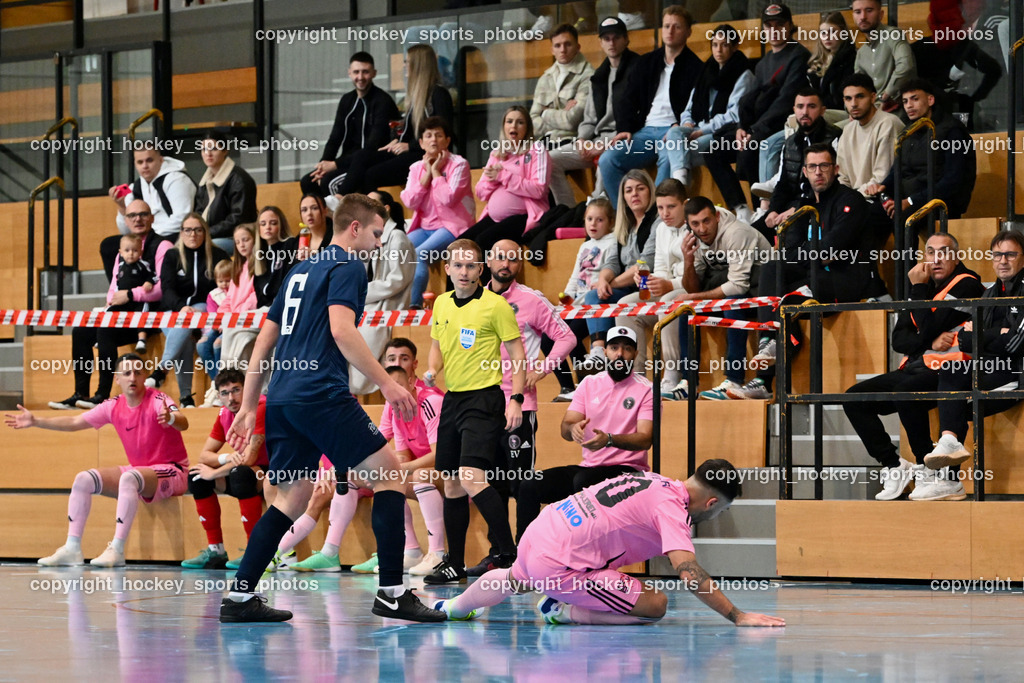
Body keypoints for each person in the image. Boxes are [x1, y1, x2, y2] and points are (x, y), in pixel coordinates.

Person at [219, 193, 443, 623]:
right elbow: (342, 331)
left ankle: (240, 596)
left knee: (292, 496)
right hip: (320, 392)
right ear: (354, 228)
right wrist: (387, 384)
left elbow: (264, 341)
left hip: (283, 396)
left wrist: (250, 405)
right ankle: (393, 593)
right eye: (376, 234)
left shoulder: (299, 270)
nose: (379, 244)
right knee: (391, 476)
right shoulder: (349, 266)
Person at [433, 460, 785, 628]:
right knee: (656, 604)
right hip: (558, 565)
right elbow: (689, 574)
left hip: (540, 532)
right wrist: (738, 616)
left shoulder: (654, 480)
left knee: (518, 576)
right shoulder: (672, 511)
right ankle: (561, 610)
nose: (717, 516)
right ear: (711, 503)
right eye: (721, 510)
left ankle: (453, 609)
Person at [8, 353, 189, 567]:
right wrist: (37, 421)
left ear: (144, 377)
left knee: (130, 478)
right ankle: (72, 548)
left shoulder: (159, 399)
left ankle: (117, 550)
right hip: (140, 471)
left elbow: (182, 422)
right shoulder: (113, 405)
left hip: (172, 470)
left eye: (138, 373)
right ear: (117, 379)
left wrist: (170, 418)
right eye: (127, 373)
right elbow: (75, 421)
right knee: (84, 479)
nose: (132, 378)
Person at [843, 233, 984, 500]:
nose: (936, 258)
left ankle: (930, 470)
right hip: (915, 366)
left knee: (906, 393)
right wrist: (929, 338)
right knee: (854, 398)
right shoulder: (924, 285)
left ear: (956, 256)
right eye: (930, 252)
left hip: (950, 370)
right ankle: (895, 465)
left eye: (943, 252)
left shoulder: (967, 285)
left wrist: (919, 297)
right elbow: (899, 339)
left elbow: (925, 327)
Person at [728, 144, 875, 399]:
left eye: (824, 166)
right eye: (812, 167)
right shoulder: (802, 208)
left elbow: (833, 246)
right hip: (811, 280)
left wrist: (809, 253)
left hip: (844, 281)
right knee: (773, 270)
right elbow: (791, 252)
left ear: (835, 169)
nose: (818, 172)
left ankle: (767, 363)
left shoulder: (851, 201)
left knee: (790, 298)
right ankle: (766, 356)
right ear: (804, 172)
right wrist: (811, 254)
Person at [465, 240, 577, 575]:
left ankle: (526, 558)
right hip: (483, 405)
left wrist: (541, 370)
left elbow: (566, 338)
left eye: (513, 259)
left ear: (518, 264)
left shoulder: (531, 299)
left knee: (520, 484)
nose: (506, 263)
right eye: (500, 256)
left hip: (519, 405)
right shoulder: (473, 299)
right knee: (491, 483)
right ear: (488, 260)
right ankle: (499, 554)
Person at [420, 238, 527, 585]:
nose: (464, 272)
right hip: (453, 399)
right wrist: (433, 371)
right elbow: (436, 348)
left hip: (485, 399)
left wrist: (517, 400)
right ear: (447, 268)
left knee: (470, 477)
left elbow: (518, 355)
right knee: (450, 484)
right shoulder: (440, 304)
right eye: (458, 266)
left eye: (471, 266)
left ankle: (509, 554)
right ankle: (453, 563)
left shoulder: (495, 306)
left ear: (480, 269)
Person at [914, 231, 1024, 501]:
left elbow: (1016, 344)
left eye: (1010, 254)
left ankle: (949, 476)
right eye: (997, 255)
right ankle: (949, 464)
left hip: (1016, 374)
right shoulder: (988, 293)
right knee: (951, 383)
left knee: (954, 403)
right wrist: (996, 334)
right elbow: (965, 341)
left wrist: (986, 337)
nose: (1003, 261)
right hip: (990, 370)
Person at [515, 325, 652, 540]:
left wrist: (609, 440)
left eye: (627, 349)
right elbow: (566, 426)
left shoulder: (646, 389)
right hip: (588, 467)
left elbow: (645, 439)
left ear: (635, 354)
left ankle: (582, 554)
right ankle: (523, 554)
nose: (620, 354)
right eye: (614, 347)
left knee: (583, 481)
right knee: (530, 484)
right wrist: (573, 429)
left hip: (629, 471)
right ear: (605, 351)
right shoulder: (589, 383)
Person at [49, 200, 173, 410]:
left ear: (152, 218)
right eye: (132, 215)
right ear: (126, 219)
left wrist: (131, 294)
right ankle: (80, 393)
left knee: (106, 328)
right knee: (81, 330)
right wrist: (111, 303)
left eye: (143, 214)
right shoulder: (122, 250)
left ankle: (102, 395)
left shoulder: (163, 246)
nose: (138, 219)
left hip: (148, 315)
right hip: (121, 313)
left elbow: (163, 288)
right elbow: (113, 288)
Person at [704, 3, 810, 222]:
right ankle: (741, 208)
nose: (774, 30)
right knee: (714, 147)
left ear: (790, 26)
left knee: (754, 145)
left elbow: (785, 101)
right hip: (756, 127)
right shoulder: (763, 63)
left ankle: (761, 214)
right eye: (769, 25)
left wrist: (753, 130)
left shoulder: (799, 55)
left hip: (781, 126)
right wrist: (742, 127)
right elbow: (749, 102)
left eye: (779, 24)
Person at [598, 5, 702, 208]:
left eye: (677, 27)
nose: (670, 31)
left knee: (667, 157)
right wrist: (625, 129)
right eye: (666, 26)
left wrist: (682, 126)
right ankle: (626, 218)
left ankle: (654, 218)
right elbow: (626, 99)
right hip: (644, 132)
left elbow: (698, 106)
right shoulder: (646, 62)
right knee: (608, 161)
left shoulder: (697, 68)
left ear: (688, 32)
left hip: (672, 132)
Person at [677, 196, 771, 401]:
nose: (702, 228)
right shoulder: (695, 238)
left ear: (717, 216)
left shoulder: (737, 233)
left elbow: (739, 285)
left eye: (706, 221)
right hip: (734, 292)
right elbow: (694, 286)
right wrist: (688, 262)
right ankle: (688, 382)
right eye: (695, 223)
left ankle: (734, 379)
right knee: (686, 311)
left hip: (762, 295)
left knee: (733, 301)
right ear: (688, 224)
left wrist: (693, 296)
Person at [331, 44, 455, 196]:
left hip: (426, 155)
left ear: (417, 65)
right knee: (362, 156)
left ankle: (366, 210)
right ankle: (340, 197)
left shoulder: (439, 94)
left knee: (371, 174)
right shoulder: (416, 95)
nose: (404, 66)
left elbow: (444, 133)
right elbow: (408, 131)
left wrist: (409, 145)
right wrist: (396, 142)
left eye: (407, 62)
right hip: (413, 150)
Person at [182, 369, 269, 569]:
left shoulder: (260, 407)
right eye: (224, 393)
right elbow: (205, 455)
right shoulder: (224, 414)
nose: (231, 398)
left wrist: (215, 472)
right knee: (196, 476)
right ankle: (216, 550)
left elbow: (250, 457)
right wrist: (226, 457)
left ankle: (253, 552)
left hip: (274, 471)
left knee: (241, 474)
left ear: (247, 390)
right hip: (246, 468)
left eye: (236, 390)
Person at [547, 16, 639, 207]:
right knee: (551, 159)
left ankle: (596, 210)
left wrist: (603, 146)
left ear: (626, 39)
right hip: (595, 139)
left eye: (616, 37)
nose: (611, 43)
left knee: (605, 162)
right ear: (600, 42)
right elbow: (589, 119)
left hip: (623, 139)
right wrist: (581, 140)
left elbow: (638, 119)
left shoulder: (639, 68)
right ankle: (568, 212)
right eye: (606, 39)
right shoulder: (598, 76)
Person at [613, 179, 689, 396]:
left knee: (667, 302)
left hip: (690, 290)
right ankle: (635, 377)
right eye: (660, 207)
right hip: (670, 286)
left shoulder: (694, 225)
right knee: (625, 305)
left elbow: (698, 276)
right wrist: (651, 280)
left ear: (685, 203)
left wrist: (668, 284)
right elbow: (663, 268)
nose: (665, 213)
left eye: (671, 207)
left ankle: (672, 374)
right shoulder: (662, 229)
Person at [865, 78, 977, 224]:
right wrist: (883, 186)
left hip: (940, 202)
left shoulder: (952, 131)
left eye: (914, 99)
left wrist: (911, 201)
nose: (909, 106)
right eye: (905, 101)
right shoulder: (907, 132)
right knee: (867, 214)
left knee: (904, 217)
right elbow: (897, 170)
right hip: (909, 199)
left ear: (930, 100)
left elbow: (953, 180)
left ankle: (908, 248)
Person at [147, 214, 229, 407]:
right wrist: (180, 307)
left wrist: (190, 312)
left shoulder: (217, 255)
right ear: (181, 233)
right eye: (188, 230)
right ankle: (185, 398)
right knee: (182, 334)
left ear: (205, 232)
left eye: (198, 230)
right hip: (172, 310)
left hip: (203, 308)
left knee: (188, 319)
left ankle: (164, 373)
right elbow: (166, 290)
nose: (193, 234)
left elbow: (220, 290)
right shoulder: (172, 255)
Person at [581, 170, 658, 364]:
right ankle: (599, 352)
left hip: (648, 286)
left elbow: (644, 263)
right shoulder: (625, 224)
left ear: (650, 192)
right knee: (593, 295)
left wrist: (610, 284)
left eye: (640, 189)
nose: (634, 194)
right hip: (625, 286)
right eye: (629, 190)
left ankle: (616, 360)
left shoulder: (656, 222)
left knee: (610, 296)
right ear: (623, 196)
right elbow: (612, 262)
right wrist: (603, 280)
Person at [664, 24, 754, 189]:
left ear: (735, 47)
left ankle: (679, 187)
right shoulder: (706, 70)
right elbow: (689, 108)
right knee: (673, 135)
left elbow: (734, 115)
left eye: (725, 44)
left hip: (722, 132)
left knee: (679, 151)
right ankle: (676, 187)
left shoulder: (743, 73)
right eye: (714, 45)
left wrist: (702, 130)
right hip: (697, 127)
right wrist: (687, 123)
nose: (718, 50)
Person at [300, 52, 400, 199]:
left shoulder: (383, 101)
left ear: (374, 73)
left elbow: (372, 146)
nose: (360, 77)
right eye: (356, 72)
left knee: (329, 182)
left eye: (365, 72)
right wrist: (323, 165)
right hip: (348, 160)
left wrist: (335, 164)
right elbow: (335, 138)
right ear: (349, 73)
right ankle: (324, 221)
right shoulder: (347, 100)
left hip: (370, 161)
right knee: (308, 182)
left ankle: (339, 219)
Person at [400, 117, 475, 309]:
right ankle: (399, 303)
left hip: (452, 227)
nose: (433, 140)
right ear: (421, 143)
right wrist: (427, 173)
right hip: (424, 227)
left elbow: (448, 198)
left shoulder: (459, 164)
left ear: (447, 141)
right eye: (428, 136)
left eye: (439, 135)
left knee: (419, 254)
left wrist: (436, 173)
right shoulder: (416, 168)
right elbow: (410, 201)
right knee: (398, 251)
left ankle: (414, 306)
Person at [348, 190, 416, 395]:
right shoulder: (373, 239)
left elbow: (396, 281)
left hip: (390, 304)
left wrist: (362, 293)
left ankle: (358, 387)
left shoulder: (397, 238)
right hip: (372, 301)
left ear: (385, 210)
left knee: (365, 334)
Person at [754, 88, 842, 242]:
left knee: (791, 240)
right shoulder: (790, 142)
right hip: (790, 205)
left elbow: (830, 184)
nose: (805, 112)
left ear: (822, 110)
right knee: (751, 235)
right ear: (794, 110)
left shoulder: (835, 137)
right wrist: (773, 210)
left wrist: (796, 210)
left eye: (811, 106)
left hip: (819, 206)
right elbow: (783, 183)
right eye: (800, 107)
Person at [462, 106, 551, 257]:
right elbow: (481, 193)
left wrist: (503, 176)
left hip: (524, 217)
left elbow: (539, 189)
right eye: (509, 121)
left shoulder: (537, 150)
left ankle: (486, 282)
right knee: (460, 246)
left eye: (520, 122)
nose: (513, 126)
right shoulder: (497, 153)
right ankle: (463, 281)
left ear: (527, 127)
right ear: (504, 126)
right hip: (494, 217)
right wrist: (493, 180)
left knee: (482, 243)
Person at [101, 142, 196, 280]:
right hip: (146, 235)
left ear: (161, 159)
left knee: (150, 246)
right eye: (140, 162)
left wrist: (150, 233)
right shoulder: (136, 187)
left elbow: (183, 218)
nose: (145, 166)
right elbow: (126, 230)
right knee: (110, 246)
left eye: (149, 160)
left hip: (173, 234)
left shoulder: (177, 179)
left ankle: (150, 289)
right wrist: (122, 207)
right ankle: (118, 291)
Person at [555, 198, 619, 402]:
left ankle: (585, 382)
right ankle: (567, 385)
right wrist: (566, 298)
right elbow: (575, 276)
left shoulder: (612, 242)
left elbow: (612, 269)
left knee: (570, 336)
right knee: (548, 336)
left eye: (599, 220)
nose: (593, 224)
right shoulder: (585, 246)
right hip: (577, 305)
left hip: (592, 305)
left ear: (610, 222)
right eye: (589, 219)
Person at [835, 73, 904, 198]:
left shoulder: (888, 123)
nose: (854, 104)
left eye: (860, 97)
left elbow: (882, 177)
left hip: (880, 199)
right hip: (854, 199)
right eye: (848, 99)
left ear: (873, 97)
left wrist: (852, 199)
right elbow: (842, 177)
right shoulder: (848, 130)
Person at [193, 130, 258, 254]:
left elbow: (238, 218)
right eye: (204, 149)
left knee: (206, 248)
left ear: (225, 150)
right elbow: (199, 212)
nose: (208, 154)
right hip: (210, 235)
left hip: (235, 238)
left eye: (214, 149)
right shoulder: (204, 181)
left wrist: (206, 233)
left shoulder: (239, 179)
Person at [530, 23, 594, 144]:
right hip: (544, 142)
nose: (563, 50)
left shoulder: (588, 76)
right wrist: (562, 114)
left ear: (578, 47)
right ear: (552, 50)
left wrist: (544, 113)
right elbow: (532, 124)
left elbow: (571, 121)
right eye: (557, 45)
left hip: (572, 142)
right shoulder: (545, 78)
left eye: (568, 44)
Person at [852, 0, 917, 111]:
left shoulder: (893, 35)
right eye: (858, 12)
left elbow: (905, 66)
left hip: (899, 106)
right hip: (871, 109)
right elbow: (857, 86)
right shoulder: (861, 53)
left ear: (881, 14)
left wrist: (885, 96)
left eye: (869, 10)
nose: (863, 17)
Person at [216, 224, 258, 371]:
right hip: (233, 320)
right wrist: (222, 317)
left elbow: (255, 297)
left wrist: (234, 316)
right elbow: (229, 299)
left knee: (234, 342)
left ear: (255, 239)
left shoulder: (258, 265)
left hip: (246, 318)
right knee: (205, 344)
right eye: (238, 242)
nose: (242, 245)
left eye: (245, 239)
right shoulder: (238, 267)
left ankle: (227, 378)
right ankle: (220, 380)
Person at [107, 234, 156, 354]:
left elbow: (153, 276)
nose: (131, 254)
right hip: (122, 300)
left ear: (141, 252)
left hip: (138, 300)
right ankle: (103, 337)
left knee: (142, 315)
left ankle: (142, 339)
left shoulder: (143, 265)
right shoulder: (120, 266)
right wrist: (112, 297)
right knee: (109, 313)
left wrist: (149, 282)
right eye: (127, 250)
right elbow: (116, 281)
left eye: (135, 250)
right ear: (121, 252)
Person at [198, 259, 233, 406]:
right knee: (201, 345)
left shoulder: (237, 291)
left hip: (232, 325)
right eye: (220, 281)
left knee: (218, 344)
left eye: (227, 280)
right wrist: (214, 328)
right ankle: (216, 383)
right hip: (217, 326)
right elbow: (212, 315)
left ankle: (223, 386)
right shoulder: (213, 295)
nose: (224, 284)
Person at [806, 12, 857, 111]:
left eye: (832, 32)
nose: (827, 37)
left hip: (842, 111)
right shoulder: (818, 61)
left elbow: (840, 97)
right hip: (821, 110)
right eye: (823, 33)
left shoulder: (850, 59)